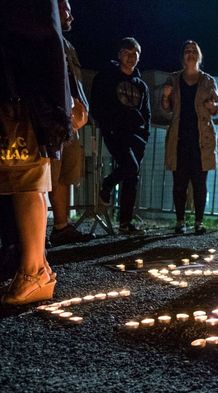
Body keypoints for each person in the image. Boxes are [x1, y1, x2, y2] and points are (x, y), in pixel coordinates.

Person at [0, 0, 71, 304]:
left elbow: (44, 41)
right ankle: (33, 266)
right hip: (19, 89)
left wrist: (58, 108)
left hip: (21, 95)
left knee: (25, 175)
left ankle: (34, 270)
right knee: (20, 176)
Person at [91, 37, 151, 235]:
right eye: (127, 52)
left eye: (135, 53)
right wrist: (108, 125)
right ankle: (107, 185)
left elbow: (147, 114)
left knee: (132, 176)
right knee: (130, 167)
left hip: (136, 136)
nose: (131, 57)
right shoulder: (107, 78)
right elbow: (97, 104)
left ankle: (125, 223)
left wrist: (144, 136)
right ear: (119, 54)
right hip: (115, 132)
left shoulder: (141, 85)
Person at [161, 40, 218, 234]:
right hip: (179, 138)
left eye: (194, 51)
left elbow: (217, 107)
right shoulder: (173, 79)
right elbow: (165, 109)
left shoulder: (208, 80)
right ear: (182, 56)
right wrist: (165, 97)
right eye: (187, 51)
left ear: (199, 56)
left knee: (199, 182)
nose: (191, 54)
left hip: (201, 139)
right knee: (179, 182)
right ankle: (180, 221)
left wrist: (213, 107)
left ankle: (199, 222)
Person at [48, 0, 92, 246]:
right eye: (66, 10)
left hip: (70, 120)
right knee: (47, 174)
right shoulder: (43, 39)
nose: (71, 17)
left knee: (64, 173)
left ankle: (61, 226)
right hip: (51, 117)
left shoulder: (69, 47)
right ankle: (29, 237)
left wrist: (82, 107)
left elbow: (76, 82)